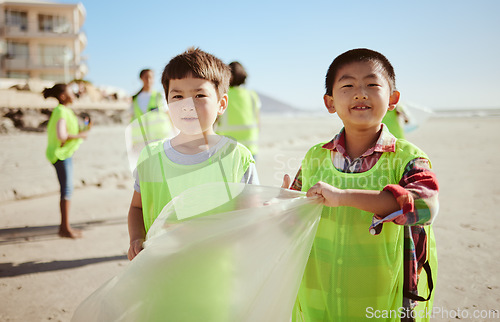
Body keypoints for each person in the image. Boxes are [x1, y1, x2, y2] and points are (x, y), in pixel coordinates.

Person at [282, 48, 439, 321]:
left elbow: (425, 206)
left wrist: (343, 196)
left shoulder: (409, 158)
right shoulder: (315, 157)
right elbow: (293, 225)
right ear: (329, 102)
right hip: (319, 292)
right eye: (348, 86)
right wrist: (282, 204)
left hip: (381, 296)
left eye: (372, 84)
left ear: (392, 99)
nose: (360, 93)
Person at [127, 48, 259, 260]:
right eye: (178, 96)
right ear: (167, 104)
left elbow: (250, 220)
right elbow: (136, 207)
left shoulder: (237, 157)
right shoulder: (151, 157)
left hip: (217, 275)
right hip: (161, 272)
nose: (187, 105)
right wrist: (136, 238)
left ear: (221, 104)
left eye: (199, 95)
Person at [44, 83, 90, 238]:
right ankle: (64, 228)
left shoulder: (64, 111)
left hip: (63, 154)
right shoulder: (61, 111)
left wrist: (85, 128)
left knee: (66, 188)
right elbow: (61, 135)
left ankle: (64, 227)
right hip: (61, 155)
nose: (74, 94)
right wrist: (81, 136)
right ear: (63, 96)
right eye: (71, 92)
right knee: (67, 189)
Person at [216, 61, 261, 159]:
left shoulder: (223, 96)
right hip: (250, 148)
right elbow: (258, 122)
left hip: (227, 149)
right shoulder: (252, 95)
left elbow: (216, 120)